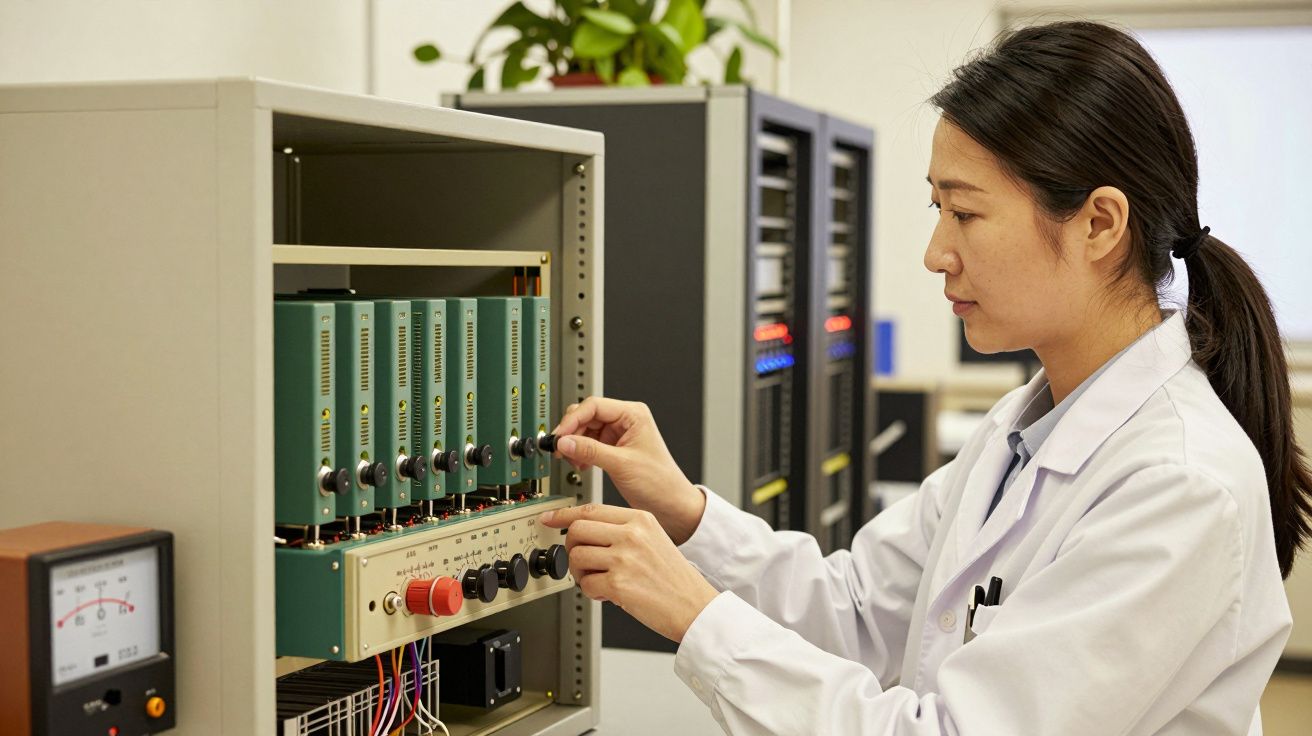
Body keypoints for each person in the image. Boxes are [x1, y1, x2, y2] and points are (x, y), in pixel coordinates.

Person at [537, 20, 1311, 735]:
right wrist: (686, 512)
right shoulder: (1024, 424)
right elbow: (858, 611)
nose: (936, 252)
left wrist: (697, 615)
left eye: (966, 213)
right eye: (937, 207)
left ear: (1100, 224)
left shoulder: (1179, 486)